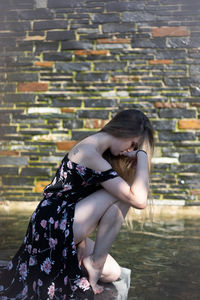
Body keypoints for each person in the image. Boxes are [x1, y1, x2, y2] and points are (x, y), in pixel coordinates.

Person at [0, 109, 154, 300]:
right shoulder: (89, 152)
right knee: (127, 194)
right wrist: (143, 157)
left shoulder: (99, 151)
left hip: (64, 223)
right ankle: (95, 264)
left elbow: (76, 196)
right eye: (133, 144)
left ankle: (93, 262)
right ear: (123, 130)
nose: (130, 151)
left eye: (136, 148)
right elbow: (139, 200)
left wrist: (81, 244)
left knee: (114, 273)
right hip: (52, 223)